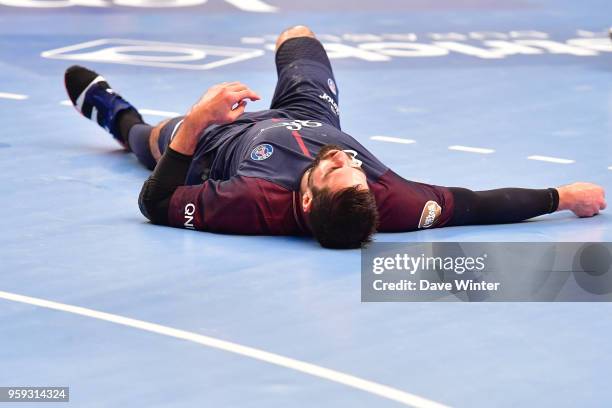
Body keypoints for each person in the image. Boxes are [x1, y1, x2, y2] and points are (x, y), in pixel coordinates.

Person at [64, 25, 606, 249]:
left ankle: (113, 112)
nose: (347, 159)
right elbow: (475, 205)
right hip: (309, 115)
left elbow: (155, 203)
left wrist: (201, 118)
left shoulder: (251, 203)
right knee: (297, 37)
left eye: (334, 167)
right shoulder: (389, 201)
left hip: (219, 141)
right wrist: (561, 197)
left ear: (304, 197)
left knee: (149, 143)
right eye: (352, 167)